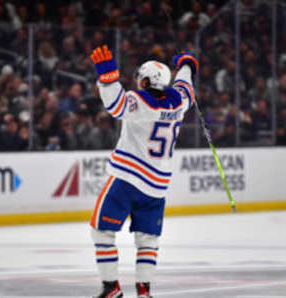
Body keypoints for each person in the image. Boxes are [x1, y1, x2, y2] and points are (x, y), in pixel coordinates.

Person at [89, 45, 197, 298]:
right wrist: (187, 64)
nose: (138, 81)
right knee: (148, 240)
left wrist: (108, 79)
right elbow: (186, 86)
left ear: (146, 80)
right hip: (158, 186)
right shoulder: (179, 102)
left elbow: (116, 106)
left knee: (101, 230)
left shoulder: (140, 101)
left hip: (128, 179)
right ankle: (143, 291)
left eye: (141, 77)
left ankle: (111, 287)